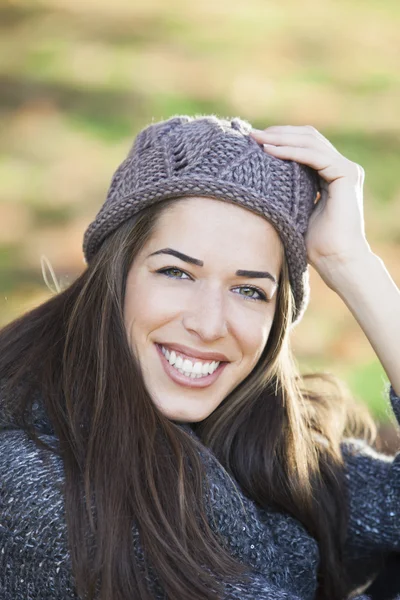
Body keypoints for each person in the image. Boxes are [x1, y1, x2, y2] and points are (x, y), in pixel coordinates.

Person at [0, 115, 399, 600]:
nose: (210, 325)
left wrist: (352, 264)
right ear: (114, 276)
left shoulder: (268, 444)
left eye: (250, 290)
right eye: (177, 273)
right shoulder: (38, 484)